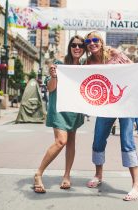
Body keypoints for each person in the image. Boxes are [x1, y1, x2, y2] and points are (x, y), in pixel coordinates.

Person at [83, 31, 138, 201]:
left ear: (101, 42)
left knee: (127, 140)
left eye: (95, 40)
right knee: (98, 139)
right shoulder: (89, 61)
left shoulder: (114, 53)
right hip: (106, 105)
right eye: (88, 41)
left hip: (125, 103)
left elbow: (132, 70)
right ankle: (98, 175)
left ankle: (137, 185)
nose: (92, 43)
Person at [33, 35, 85, 193]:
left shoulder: (84, 67)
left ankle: (67, 175)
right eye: (74, 45)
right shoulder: (59, 65)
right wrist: (54, 75)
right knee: (61, 141)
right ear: (70, 47)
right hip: (59, 110)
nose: (77, 48)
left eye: (80, 45)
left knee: (71, 142)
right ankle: (38, 173)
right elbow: (50, 88)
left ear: (83, 49)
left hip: (75, 110)